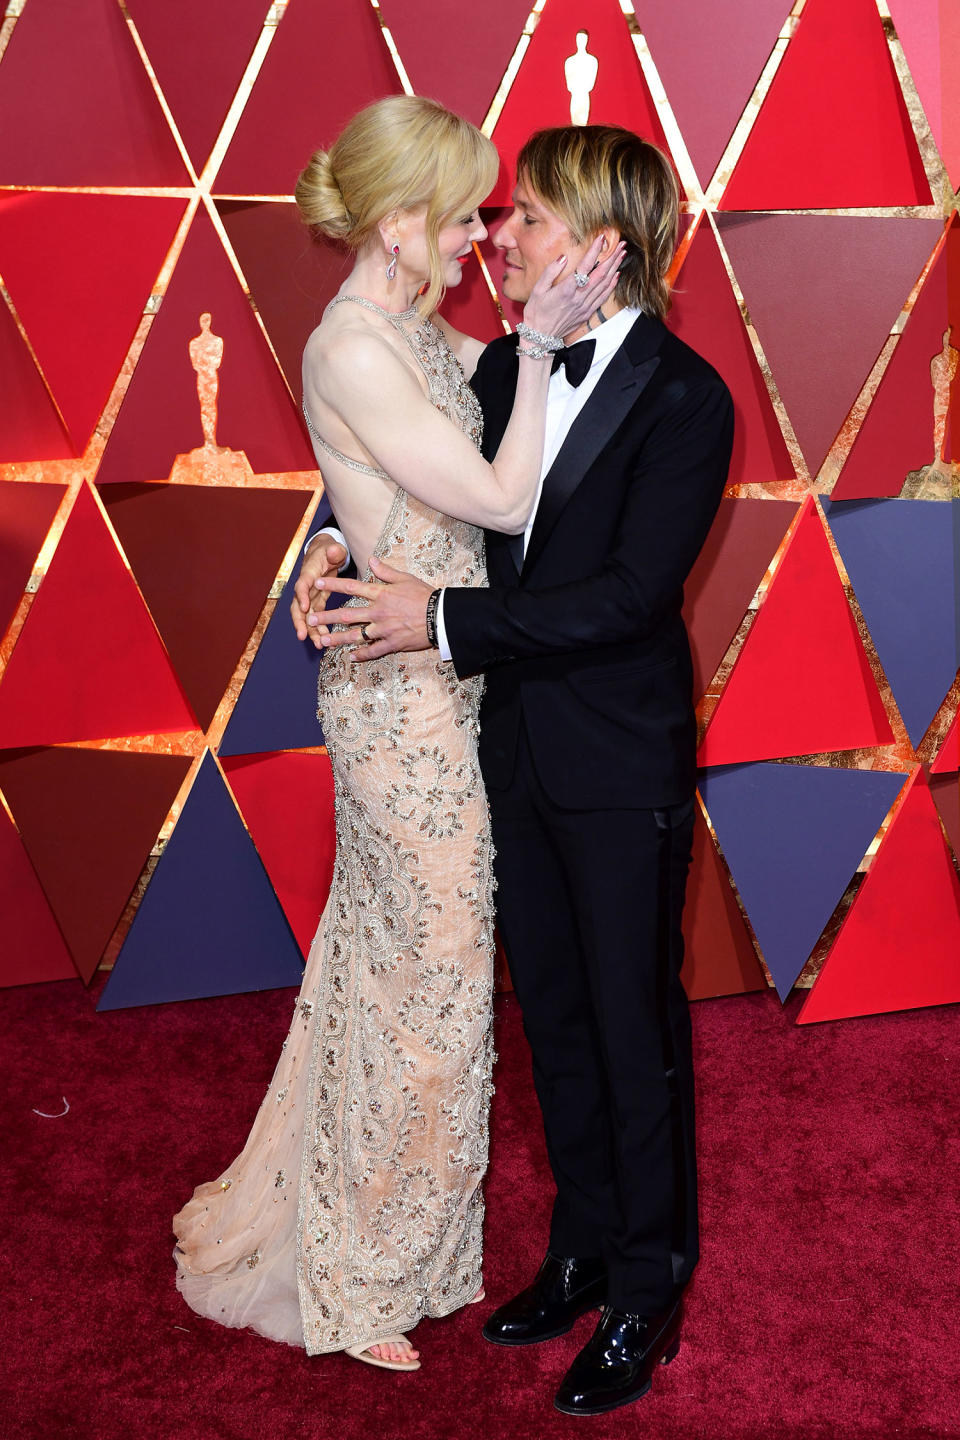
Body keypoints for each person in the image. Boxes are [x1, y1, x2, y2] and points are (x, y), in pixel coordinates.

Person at [172, 96, 619, 1375]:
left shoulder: (407, 333)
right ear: (399, 219)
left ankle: (390, 1246)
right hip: (403, 710)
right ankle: (360, 1275)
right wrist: (534, 353)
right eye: (469, 208)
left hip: (445, 676)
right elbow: (492, 493)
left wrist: (340, 541)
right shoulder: (357, 345)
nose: (486, 232)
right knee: (425, 979)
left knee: (394, 969)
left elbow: (391, 499)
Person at [298, 124, 734, 1416]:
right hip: (505, 754)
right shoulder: (501, 373)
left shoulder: (690, 399)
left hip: (616, 765)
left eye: (529, 218)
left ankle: (649, 1286)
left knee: (632, 1026)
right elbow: (424, 497)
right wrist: (339, 550)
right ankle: (585, 1248)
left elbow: (625, 598)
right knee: (551, 1018)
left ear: (602, 248)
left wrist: (437, 624)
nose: (502, 236)